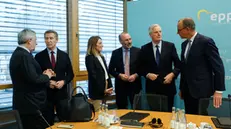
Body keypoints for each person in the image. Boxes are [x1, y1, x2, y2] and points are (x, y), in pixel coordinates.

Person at [177, 18, 225, 114]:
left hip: (202, 91)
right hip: (187, 91)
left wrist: (218, 90)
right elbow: (184, 68)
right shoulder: (184, 45)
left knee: (200, 118)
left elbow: (218, 66)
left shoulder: (206, 42)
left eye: (179, 30)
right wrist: (182, 88)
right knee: (190, 118)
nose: (177, 33)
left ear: (187, 29)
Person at [9, 28, 55, 129]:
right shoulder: (24, 55)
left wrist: (42, 75)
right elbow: (34, 79)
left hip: (26, 103)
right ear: (29, 41)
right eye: (35, 40)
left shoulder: (19, 53)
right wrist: (47, 76)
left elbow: (29, 76)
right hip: (30, 104)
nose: (37, 43)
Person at [35, 30, 74, 125]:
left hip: (62, 95)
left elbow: (70, 74)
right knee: (48, 123)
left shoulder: (64, 55)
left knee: (65, 121)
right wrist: (47, 83)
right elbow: (36, 76)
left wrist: (63, 82)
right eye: (46, 38)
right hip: (46, 96)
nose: (49, 41)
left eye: (51, 38)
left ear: (57, 40)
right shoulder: (39, 56)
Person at [138, 24, 181, 112]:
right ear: (150, 35)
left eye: (160, 32)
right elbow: (139, 67)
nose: (159, 34)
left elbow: (178, 65)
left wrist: (172, 75)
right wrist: (147, 74)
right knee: (155, 115)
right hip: (152, 88)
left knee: (168, 114)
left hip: (167, 86)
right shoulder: (144, 48)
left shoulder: (170, 46)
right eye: (156, 32)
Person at [109, 32, 141, 109]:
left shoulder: (138, 51)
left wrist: (135, 75)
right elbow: (110, 70)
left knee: (137, 109)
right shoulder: (115, 53)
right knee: (121, 109)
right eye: (126, 40)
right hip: (121, 86)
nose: (129, 41)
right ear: (121, 42)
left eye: (130, 39)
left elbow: (143, 68)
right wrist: (119, 75)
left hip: (135, 85)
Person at [85, 36, 113, 111]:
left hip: (105, 87)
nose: (102, 45)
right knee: (98, 112)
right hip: (97, 90)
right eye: (100, 43)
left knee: (105, 112)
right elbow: (94, 76)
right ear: (94, 45)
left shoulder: (101, 57)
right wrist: (102, 90)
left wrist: (109, 87)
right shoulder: (89, 58)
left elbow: (106, 73)